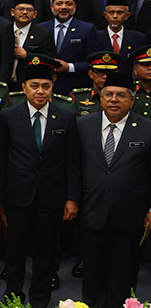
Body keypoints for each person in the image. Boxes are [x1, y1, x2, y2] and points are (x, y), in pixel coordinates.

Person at [0, 61, 80, 308]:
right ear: (24, 87)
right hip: (17, 197)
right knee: (14, 254)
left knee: (45, 255)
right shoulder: (8, 116)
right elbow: (0, 160)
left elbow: (72, 162)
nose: (40, 91)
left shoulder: (66, 117)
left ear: (52, 87)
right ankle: (13, 298)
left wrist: (72, 198)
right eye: (34, 86)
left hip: (51, 197)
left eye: (46, 86)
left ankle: (40, 300)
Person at [76, 72, 151, 308]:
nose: (114, 100)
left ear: (132, 99)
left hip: (131, 214)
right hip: (91, 211)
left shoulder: (147, 129)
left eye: (121, 95)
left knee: (124, 275)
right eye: (108, 95)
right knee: (92, 273)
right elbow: (72, 167)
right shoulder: (81, 125)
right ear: (100, 98)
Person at [39, 0, 101, 95]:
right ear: (51, 7)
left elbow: (93, 62)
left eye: (69, 4)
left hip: (74, 90)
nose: (64, 7)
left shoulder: (87, 29)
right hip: (44, 90)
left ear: (75, 7)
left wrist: (70, 67)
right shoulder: (40, 29)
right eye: (59, 4)